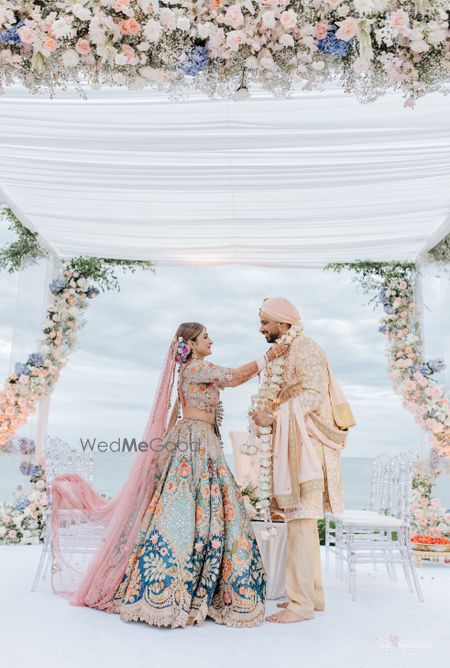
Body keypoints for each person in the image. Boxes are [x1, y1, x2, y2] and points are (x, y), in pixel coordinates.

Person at [51, 322, 287, 629]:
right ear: (190, 343)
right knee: (183, 511)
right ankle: (166, 590)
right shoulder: (194, 369)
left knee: (211, 510)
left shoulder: (191, 371)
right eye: (205, 337)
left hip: (202, 442)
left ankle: (207, 582)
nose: (210, 340)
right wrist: (269, 357)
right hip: (193, 445)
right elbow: (234, 377)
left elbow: (184, 407)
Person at [250, 298, 356, 624]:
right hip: (298, 446)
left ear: (284, 323)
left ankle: (300, 605)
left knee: (299, 525)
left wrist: (274, 416)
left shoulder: (305, 347)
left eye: (266, 322)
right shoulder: (287, 350)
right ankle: (313, 597)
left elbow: (313, 395)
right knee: (304, 526)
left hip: (308, 451)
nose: (261, 328)